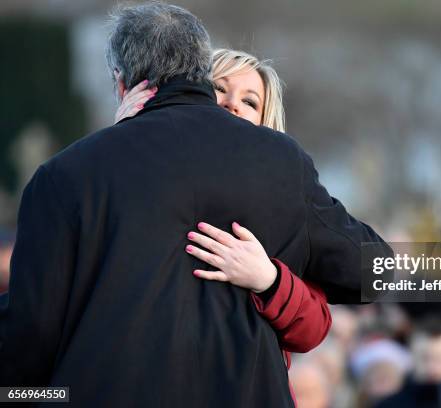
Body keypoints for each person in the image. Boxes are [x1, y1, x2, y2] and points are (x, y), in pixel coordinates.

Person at [0, 3, 390, 407]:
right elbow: (374, 269)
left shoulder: (65, 176)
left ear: (121, 82)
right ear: (202, 72)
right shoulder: (283, 164)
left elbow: (29, 338)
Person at [115, 48, 332, 365]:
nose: (233, 103)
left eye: (250, 101)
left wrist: (269, 280)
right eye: (219, 88)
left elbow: (313, 329)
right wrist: (128, 137)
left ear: (265, 120)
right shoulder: (139, 167)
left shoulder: (285, 203)